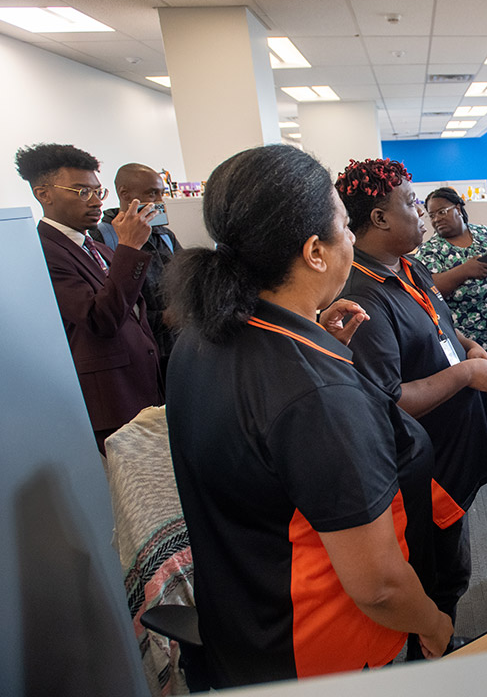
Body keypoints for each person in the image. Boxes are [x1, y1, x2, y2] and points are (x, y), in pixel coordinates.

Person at [163, 144, 451, 688]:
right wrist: (434, 625)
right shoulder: (316, 395)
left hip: (243, 620)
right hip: (321, 650)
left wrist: (315, 340)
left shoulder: (202, 336)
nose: (352, 241)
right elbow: (380, 585)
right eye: (345, 227)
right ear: (315, 251)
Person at [335, 158, 487, 633]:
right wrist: (467, 373)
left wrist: (469, 345)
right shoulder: (364, 295)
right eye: (411, 202)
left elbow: (440, 326)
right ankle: (435, 650)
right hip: (423, 471)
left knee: (452, 567)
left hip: (451, 450)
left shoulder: (407, 266)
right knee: (436, 577)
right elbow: (389, 399)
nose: (422, 212)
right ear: (380, 218)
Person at [15, 143, 163, 453]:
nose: (95, 201)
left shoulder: (99, 249)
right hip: (110, 402)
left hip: (141, 390)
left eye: (99, 192)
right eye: (82, 192)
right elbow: (100, 319)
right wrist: (130, 249)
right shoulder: (43, 251)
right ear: (43, 194)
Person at [416, 186, 487, 451]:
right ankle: (471, 441)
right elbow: (428, 291)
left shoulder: (483, 233)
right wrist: (463, 271)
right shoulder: (432, 251)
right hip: (466, 338)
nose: (436, 219)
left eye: (442, 211)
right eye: (431, 216)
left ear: (458, 208)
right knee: (469, 392)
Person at [90, 162, 182, 378]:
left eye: (162, 193)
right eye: (152, 194)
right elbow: (105, 307)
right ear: (124, 193)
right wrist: (161, 319)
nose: (159, 202)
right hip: (139, 356)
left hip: (178, 348)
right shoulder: (102, 239)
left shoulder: (165, 236)